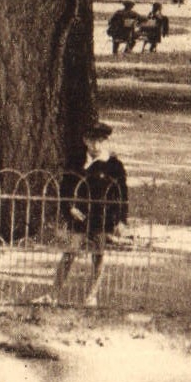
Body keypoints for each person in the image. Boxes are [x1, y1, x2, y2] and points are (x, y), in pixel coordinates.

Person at [54, 122, 130, 307]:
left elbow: (122, 195)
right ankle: (54, 294)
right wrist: (70, 208)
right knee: (69, 253)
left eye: (100, 141)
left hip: (101, 218)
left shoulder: (114, 166)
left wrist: (121, 220)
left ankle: (91, 296)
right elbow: (65, 189)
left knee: (98, 255)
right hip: (79, 218)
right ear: (85, 141)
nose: (96, 145)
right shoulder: (75, 162)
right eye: (92, 141)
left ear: (105, 141)